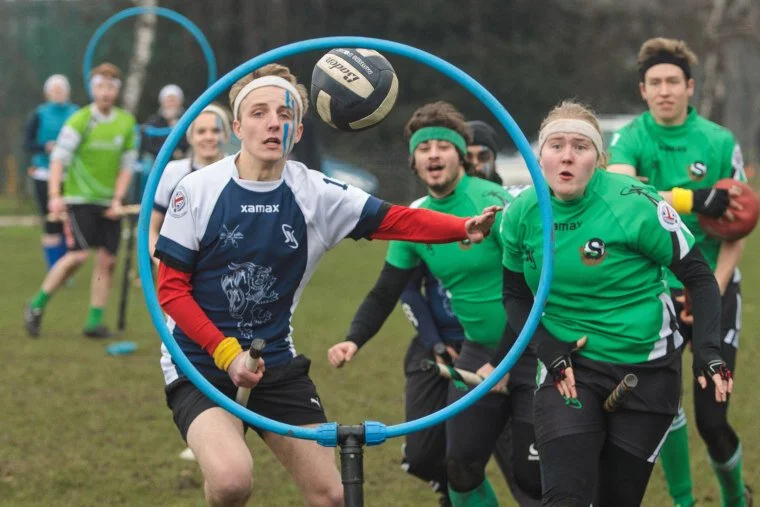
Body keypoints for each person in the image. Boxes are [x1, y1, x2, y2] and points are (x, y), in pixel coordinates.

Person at [152, 64, 498, 507]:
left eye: (284, 114)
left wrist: (462, 226)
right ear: (237, 128)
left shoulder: (315, 194)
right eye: (258, 113)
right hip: (198, 361)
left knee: (332, 495)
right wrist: (226, 354)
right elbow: (171, 290)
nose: (273, 122)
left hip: (274, 361)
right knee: (231, 481)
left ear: (297, 131)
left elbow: (396, 219)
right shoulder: (197, 189)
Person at [488, 99, 732, 506]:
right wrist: (547, 347)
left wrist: (708, 350)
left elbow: (699, 277)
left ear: (599, 159)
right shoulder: (520, 214)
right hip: (570, 369)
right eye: (556, 146)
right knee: (565, 498)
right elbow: (515, 295)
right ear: (540, 156)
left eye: (580, 147)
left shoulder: (637, 203)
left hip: (646, 369)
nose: (567, 156)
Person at [327, 102, 541, 507]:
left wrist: (505, 360)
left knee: (534, 478)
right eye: (424, 149)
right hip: (477, 352)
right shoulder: (416, 217)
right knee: (458, 467)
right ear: (414, 161)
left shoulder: (495, 204)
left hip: (528, 346)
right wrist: (353, 339)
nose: (433, 155)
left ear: (460, 155)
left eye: (443, 146)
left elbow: (533, 286)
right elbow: (386, 289)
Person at [607, 37, 750, 507]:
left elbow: (739, 225)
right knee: (662, 407)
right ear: (643, 90)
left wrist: (712, 290)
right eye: (655, 83)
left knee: (712, 420)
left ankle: (736, 497)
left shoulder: (719, 141)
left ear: (690, 87)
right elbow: (622, 192)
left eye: (673, 81)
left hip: (714, 283)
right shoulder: (630, 138)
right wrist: (694, 198)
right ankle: (685, 502)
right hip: (653, 289)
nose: (664, 90)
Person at [24, 62, 137, 339]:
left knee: (108, 261)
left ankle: (93, 322)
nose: (105, 92)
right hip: (80, 199)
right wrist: (54, 196)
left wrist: (118, 199)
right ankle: (36, 305)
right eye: (100, 86)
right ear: (92, 89)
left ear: (117, 90)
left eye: (110, 87)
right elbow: (58, 160)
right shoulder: (79, 120)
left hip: (109, 202)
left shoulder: (126, 122)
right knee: (77, 256)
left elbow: (126, 166)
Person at [149, 103, 232, 261]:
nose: (209, 137)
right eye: (201, 131)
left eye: (216, 131)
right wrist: (161, 264)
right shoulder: (172, 171)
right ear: (190, 137)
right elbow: (151, 228)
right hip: (177, 265)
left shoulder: (237, 172)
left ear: (227, 135)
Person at [23, 74, 79, 271]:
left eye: (61, 90)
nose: (58, 93)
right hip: (44, 174)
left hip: (70, 175)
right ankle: (54, 268)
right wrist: (45, 147)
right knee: (51, 222)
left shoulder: (76, 113)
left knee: (68, 223)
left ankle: (65, 268)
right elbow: (27, 144)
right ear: (48, 93)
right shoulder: (39, 114)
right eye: (54, 90)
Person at [141, 84, 189, 161]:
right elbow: (148, 145)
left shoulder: (187, 120)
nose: (171, 104)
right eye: (168, 100)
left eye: (174, 100)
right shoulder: (153, 121)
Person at [466, 120, 502, 184]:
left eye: (483, 157)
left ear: (494, 160)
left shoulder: (509, 191)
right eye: (468, 157)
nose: (475, 163)